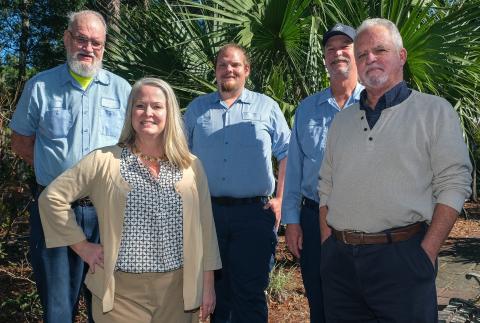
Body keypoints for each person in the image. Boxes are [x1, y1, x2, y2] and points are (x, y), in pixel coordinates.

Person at [318, 18, 472, 322]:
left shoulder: (434, 111)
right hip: (340, 266)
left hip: (403, 259)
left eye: (380, 50)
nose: (370, 59)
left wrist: (426, 252)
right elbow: (325, 186)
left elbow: (455, 183)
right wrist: (327, 248)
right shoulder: (341, 122)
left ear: (401, 56)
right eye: (362, 54)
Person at [38, 77, 222, 322]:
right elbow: (52, 198)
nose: (148, 112)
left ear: (170, 113)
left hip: (178, 295)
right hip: (119, 298)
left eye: (157, 106)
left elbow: (205, 227)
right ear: (130, 112)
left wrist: (207, 284)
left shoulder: (190, 165)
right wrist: (82, 247)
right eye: (140, 105)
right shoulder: (104, 161)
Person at [9, 10, 131, 322]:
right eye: (81, 39)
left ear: (104, 47)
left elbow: (135, 148)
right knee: (58, 308)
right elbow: (21, 143)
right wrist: (62, 178)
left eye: (97, 43)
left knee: (106, 307)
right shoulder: (40, 87)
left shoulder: (123, 91)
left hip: (107, 214)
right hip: (55, 209)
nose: (88, 48)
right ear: (67, 38)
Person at [184, 43, 291, 322]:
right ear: (216, 71)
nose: (228, 69)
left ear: (246, 70)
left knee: (251, 293)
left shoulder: (267, 107)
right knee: (217, 294)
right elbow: (179, 156)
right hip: (209, 214)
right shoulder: (197, 110)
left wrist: (281, 199)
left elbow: (288, 152)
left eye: (234, 64)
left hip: (254, 215)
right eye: (222, 64)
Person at [281, 23, 363, 323]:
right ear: (325, 58)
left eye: (345, 46)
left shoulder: (376, 104)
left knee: (362, 301)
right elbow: (295, 171)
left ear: (358, 53)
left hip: (365, 220)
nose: (337, 52)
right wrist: (292, 222)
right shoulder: (307, 109)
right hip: (315, 220)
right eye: (331, 48)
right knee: (320, 300)